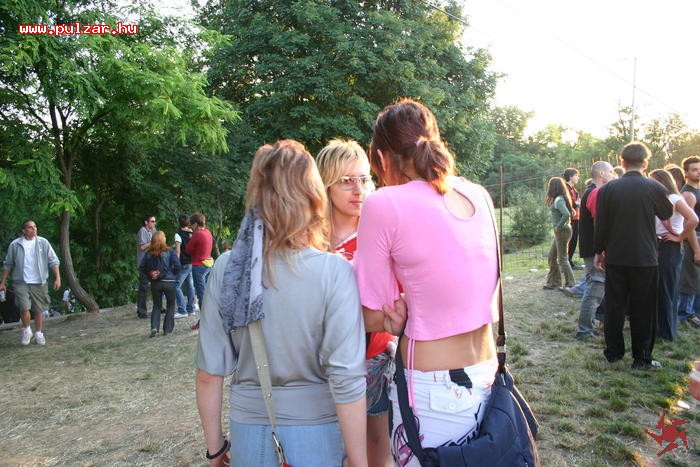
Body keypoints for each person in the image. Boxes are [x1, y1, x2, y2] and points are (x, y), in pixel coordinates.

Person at [195, 140, 368, 467]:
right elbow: (347, 379)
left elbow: (208, 373)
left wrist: (215, 449)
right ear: (314, 197)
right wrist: (359, 460)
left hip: (248, 436)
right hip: (318, 434)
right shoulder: (333, 272)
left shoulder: (227, 268)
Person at [353, 99, 499, 466]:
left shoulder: (384, 203)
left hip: (433, 390)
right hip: (489, 372)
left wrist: (398, 310)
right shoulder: (478, 194)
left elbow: (371, 314)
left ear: (382, 157)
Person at [317, 139, 395, 467]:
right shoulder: (309, 240)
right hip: (322, 365)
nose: (358, 189)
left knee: (378, 450)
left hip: (374, 359)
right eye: (347, 181)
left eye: (363, 179)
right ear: (326, 185)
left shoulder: (380, 233)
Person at [594, 142, 673, 369]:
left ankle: (614, 352)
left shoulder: (608, 189)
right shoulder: (654, 187)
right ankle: (642, 357)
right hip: (645, 257)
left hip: (616, 256)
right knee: (644, 308)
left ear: (622, 162)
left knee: (615, 306)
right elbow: (667, 212)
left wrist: (599, 252)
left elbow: (601, 224)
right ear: (645, 163)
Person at [648, 169, 698, 340]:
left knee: (667, 288)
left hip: (669, 246)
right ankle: (658, 328)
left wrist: (679, 237)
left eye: (654, 181)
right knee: (657, 287)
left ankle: (667, 331)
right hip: (655, 244)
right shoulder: (654, 199)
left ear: (663, 182)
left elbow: (693, 219)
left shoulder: (674, 198)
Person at [0, 220, 61, 345]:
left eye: (35, 227)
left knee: (39, 309)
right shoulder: (15, 245)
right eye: (30, 227)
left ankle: (38, 333)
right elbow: (8, 264)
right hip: (21, 281)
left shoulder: (43, 243)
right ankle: (27, 330)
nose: (34, 229)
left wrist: (57, 278)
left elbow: (53, 261)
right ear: (24, 230)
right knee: (24, 307)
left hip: (39, 281)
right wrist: (3, 282)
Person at [574, 161, 616, 339]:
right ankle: (584, 330)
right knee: (595, 289)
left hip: (592, 247)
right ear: (601, 173)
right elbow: (599, 223)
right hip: (594, 249)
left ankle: (589, 325)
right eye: (611, 172)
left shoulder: (591, 191)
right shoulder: (595, 192)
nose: (613, 175)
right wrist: (602, 250)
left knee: (596, 288)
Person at [139, 230, 181, 337]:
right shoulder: (170, 251)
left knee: (157, 305)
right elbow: (177, 266)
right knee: (170, 305)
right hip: (169, 282)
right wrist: (173, 274)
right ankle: (167, 329)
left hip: (155, 283)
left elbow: (142, 267)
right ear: (163, 240)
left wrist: (150, 274)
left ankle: (154, 327)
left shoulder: (149, 253)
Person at [677, 156, 700, 328]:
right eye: (694, 169)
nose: (698, 172)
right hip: (694, 239)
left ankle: (695, 312)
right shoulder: (688, 194)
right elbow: (688, 224)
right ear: (686, 172)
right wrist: (696, 249)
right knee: (690, 277)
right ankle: (686, 313)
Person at [543, 177, 576, 290]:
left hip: (562, 231)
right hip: (561, 232)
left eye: (549, 185)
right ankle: (554, 282)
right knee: (552, 256)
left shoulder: (558, 200)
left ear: (553, 187)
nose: (548, 188)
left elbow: (566, 214)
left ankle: (571, 284)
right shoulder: (560, 198)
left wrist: (558, 226)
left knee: (562, 259)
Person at [185, 212, 214, 310]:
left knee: (201, 293)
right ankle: (208, 313)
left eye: (192, 224)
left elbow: (188, 250)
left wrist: (191, 238)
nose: (191, 227)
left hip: (199, 265)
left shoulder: (197, 234)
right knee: (206, 291)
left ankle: (204, 316)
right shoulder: (208, 232)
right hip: (208, 264)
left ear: (196, 224)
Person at [173, 214, 195, 319]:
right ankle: (191, 308)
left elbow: (177, 252)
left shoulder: (178, 235)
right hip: (192, 262)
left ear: (179, 223)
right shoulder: (192, 233)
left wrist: (175, 264)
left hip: (184, 263)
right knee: (190, 285)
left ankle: (182, 310)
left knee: (176, 285)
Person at [136, 214, 156, 319]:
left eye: (154, 221)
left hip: (152, 262)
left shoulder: (154, 230)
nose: (154, 223)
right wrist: (153, 242)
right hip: (144, 264)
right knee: (143, 288)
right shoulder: (142, 231)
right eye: (152, 221)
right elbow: (142, 247)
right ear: (146, 222)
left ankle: (158, 307)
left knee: (156, 286)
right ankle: (141, 311)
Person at [564, 168, 582, 269]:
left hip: (576, 218)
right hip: (570, 219)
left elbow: (577, 202)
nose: (578, 177)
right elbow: (570, 203)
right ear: (570, 176)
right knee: (569, 241)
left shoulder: (574, 189)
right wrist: (577, 204)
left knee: (574, 241)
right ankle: (566, 263)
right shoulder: (565, 189)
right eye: (576, 175)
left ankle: (569, 261)